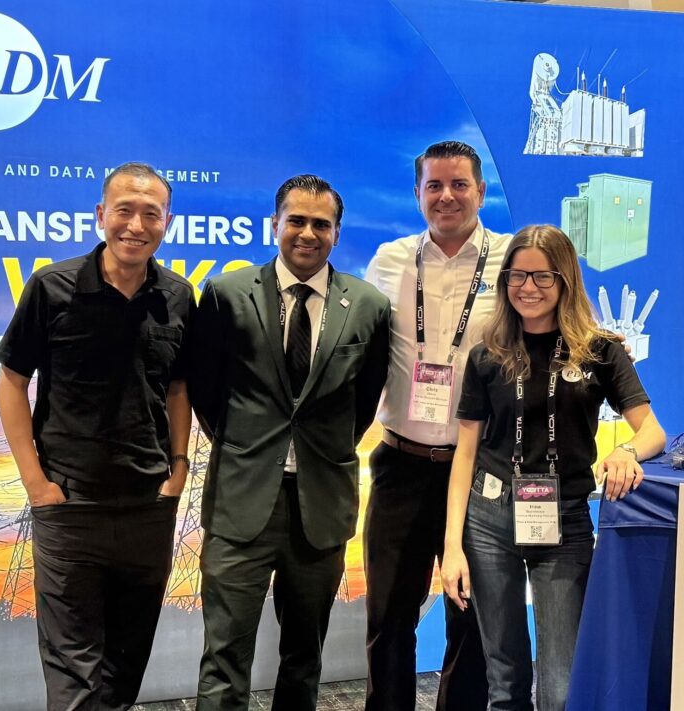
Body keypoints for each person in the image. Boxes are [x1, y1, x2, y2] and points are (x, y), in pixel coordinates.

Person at [0, 162, 195, 711]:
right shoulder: (52, 287)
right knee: (73, 672)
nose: (136, 225)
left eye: (151, 213)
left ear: (167, 222)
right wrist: (36, 484)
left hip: (148, 506)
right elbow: (11, 383)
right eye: (124, 210)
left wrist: (178, 469)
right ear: (102, 214)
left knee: (125, 666)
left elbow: (179, 387)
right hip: (70, 507)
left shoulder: (178, 296)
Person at [441, 224, 666, 711]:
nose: (528, 287)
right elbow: (465, 454)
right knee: (504, 678)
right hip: (489, 517)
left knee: (562, 682)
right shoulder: (486, 354)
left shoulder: (600, 351)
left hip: (564, 519)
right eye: (518, 276)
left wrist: (626, 452)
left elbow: (652, 431)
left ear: (565, 280)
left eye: (543, 276)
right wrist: (452, 547)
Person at [190, 174, 391, 711]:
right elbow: (207, 391)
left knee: (304, 659)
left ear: (336, 233)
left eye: (321, 224)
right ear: (274, 224)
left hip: (321, 506)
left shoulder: (369, 306)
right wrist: (250, 446)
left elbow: (364, 400)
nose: (307, 233)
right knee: (223, 658)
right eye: (296, 221)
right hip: (241, 502)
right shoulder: (226, 295)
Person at [363, 140, 504, 710]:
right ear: (417, 193)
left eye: (459, 184)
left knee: (472, 620)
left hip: (482, 468)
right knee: (388, 616)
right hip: (401, 463)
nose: (447, 196)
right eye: (435, 185)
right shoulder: (389, 261)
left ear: (481, 192)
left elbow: (561, 325)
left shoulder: (513, 260)